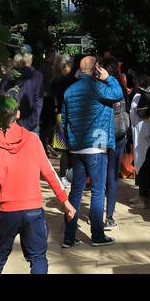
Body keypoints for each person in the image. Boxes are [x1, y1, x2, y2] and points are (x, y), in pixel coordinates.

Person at [0, 97, 75, 274]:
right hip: (33, 210)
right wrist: (64, 200)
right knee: (38, 258)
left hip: (7, 212)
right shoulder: (33, 139)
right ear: (18, 114)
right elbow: (49, 172)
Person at [61, 55, 123, 247]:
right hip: (96, 146)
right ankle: (97, 235)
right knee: (97, 191)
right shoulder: (98, 87)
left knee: (76, 191)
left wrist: (70, 144)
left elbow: (64, 121)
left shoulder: (69, 91)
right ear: (96, 68)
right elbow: (118, 94)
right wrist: (108, 78)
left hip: (77, 148)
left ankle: (69, 238)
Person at [104, 50, 130, 228]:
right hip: (119, 134)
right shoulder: (120, 88)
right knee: (112, 176)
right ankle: (109, 216)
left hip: (101, 136)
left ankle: (99, 213)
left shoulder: (100, 88)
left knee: (101, 176)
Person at [131, 74, 150, 206]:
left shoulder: (138, 97)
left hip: (141, 135)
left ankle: (143, 199)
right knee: (145, 165)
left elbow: (133, 116)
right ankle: (142, 195)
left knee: (143, 166)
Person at [14, 47, 45, 136]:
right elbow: (38, 103)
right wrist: (31, 123)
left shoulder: (10, 76)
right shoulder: (37, 76)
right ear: (30, 59)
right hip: (32, 127)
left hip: (12, 124)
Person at [40, 48, 58, 148]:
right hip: (50, 98)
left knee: (44, 122)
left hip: (42, 98)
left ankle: (44, 141)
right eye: (54, 56)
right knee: (50, 122)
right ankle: (46, 142)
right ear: (50, 56)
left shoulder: (40, 67)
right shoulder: (52, 69)